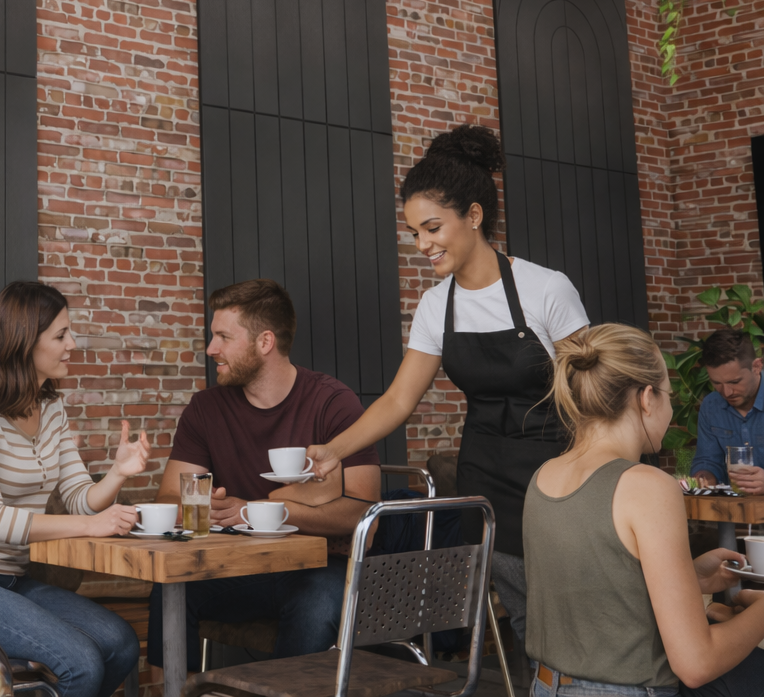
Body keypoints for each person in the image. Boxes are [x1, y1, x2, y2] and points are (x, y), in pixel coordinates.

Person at [306, 123, 589, 645]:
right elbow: (398, 399)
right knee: (526, 620)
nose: (422, 245)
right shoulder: (437, 306)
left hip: (560, 474)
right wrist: (333, 451)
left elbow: (594, 393)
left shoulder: (546, 289)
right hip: (487, 481)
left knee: (574, 612)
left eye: (432, 228)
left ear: (473, 216)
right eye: (415, 232)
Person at [0, 281, 147, 697]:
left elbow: (80, 498)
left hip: (9, 579)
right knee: (81, 662)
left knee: (121, 644)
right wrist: (90, 527)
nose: (72, 344)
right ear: (24, 342)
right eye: (61, 335)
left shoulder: (52, 408)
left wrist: (117, 473)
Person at [147, 278, 381, 664]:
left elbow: (364, 513)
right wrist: (204, 507)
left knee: (317, 603)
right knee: (170, 588)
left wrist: (254, 512)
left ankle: (289, 691)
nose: (211, 349)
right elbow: (171, 496)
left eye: (223, 337)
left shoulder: (333, 403)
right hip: (240, 568)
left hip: (319, 567)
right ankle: (174, 690)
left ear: (265, 342)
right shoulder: (205, 409)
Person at [523, 323, 764, 697]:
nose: (670, 408)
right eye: (669, 395)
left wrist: (688, 577)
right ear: (648, 398)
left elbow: (595, 589)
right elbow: (697, 664)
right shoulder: (648, 486)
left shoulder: (543, 475)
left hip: (545, 685)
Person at [691, 329, 764, 495]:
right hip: (732, 508)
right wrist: (704, 478)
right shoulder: (711, 406)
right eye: (717, 383)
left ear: (757, 366)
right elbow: (708, 460)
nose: (727, 392)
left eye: (734, 382)